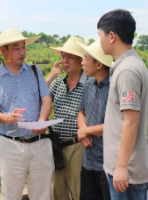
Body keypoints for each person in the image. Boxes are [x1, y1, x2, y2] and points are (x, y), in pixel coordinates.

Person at [0, 28, 54, 200]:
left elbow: (46, 99)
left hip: (39, 144)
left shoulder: (34, 71)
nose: (22, 52)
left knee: (42, 195)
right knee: (11, 195)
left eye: (23, 47)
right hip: (11, 146)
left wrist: (42, 121)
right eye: (16, 48)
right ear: (3, 50)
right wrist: (7, 118)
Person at [97, 9, 148, 200]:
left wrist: (121, 166)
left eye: (99, 35)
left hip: (127, 175)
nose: (99, 40)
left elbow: (131, 122)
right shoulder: (128, 65)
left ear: (111, 36)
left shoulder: (127, 71)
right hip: (125, 170)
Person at [46, 36, 87, 200]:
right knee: (58, 189)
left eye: (70, 57)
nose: (65, 61)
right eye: (63, 57)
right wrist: (49, 78)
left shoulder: (89, 83)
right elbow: (39, 102)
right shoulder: (56, 83)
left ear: (80, 60)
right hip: (56, 145)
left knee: (78, 189)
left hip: (78, 144)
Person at [76, 40, 113, 200]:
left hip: (108, 165)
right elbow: (81, 112)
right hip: (88, 162)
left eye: (85, 58)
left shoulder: (114, 87)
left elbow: (117, 125)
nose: (82, 62)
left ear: (99, 65)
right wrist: (83, 131)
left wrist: (86, 131)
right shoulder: (89, 84)